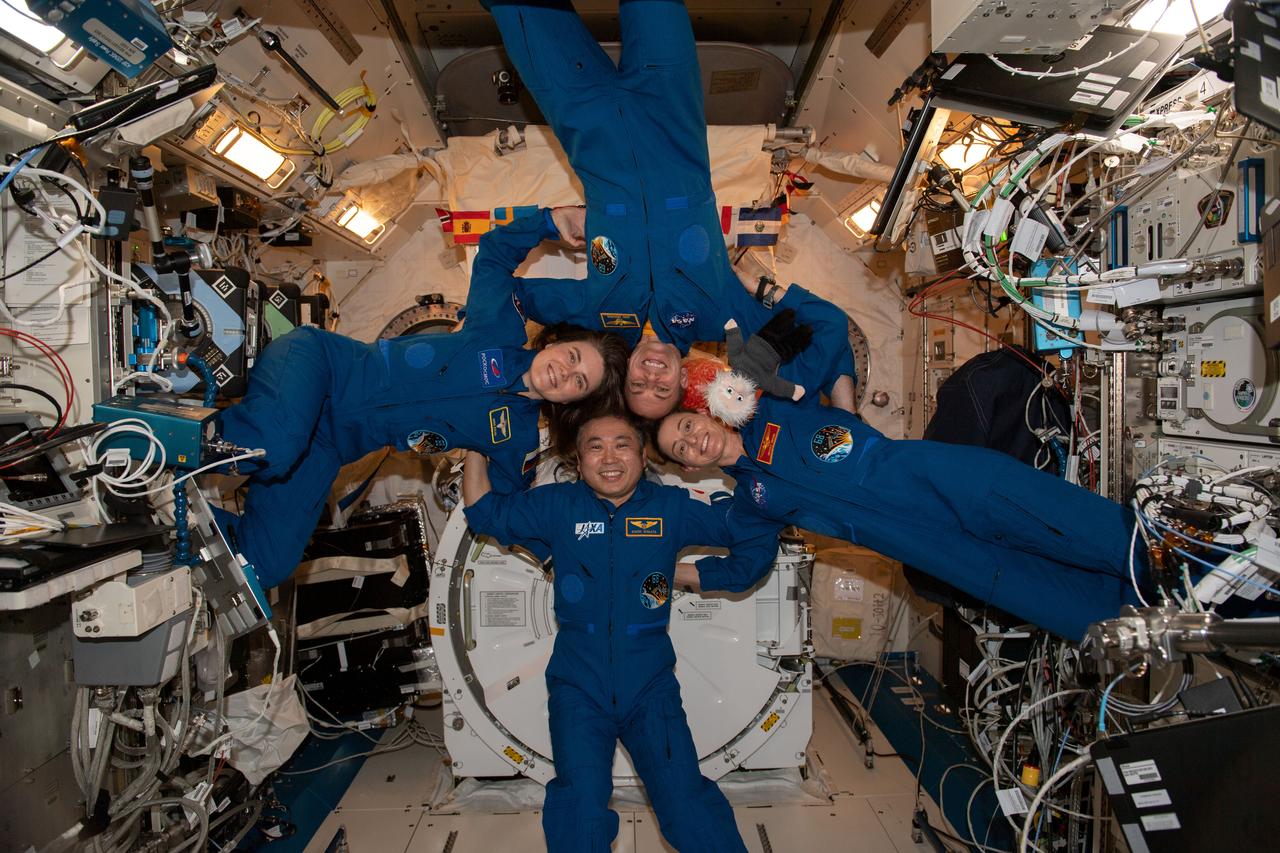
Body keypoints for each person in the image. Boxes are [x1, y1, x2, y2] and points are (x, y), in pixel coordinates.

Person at [483, 0, 858, 417]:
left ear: (622, 373)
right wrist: (849, 421)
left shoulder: (594, 314)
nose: (652, 376)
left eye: (637, 385)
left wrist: (549, 222)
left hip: (585, 125)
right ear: (683, 379)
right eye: (661, 390)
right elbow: (830, 332)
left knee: (514, 7)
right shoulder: (724, 318)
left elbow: (503, 293)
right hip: (670, 110)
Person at [219, 208, 629, 588]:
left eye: (580, 382)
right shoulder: (498, 325)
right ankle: (168, 441)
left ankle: (173, 519)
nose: (565, 372)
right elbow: (497, 251)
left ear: (570, 402)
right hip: (325, 368)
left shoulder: (515, 439)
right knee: (273, 444)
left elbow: (496, 513)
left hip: (326, 445)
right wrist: (554, 220)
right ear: (558, 343)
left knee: (266, 566)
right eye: (573, 357)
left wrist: (563, 550)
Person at [462, 414, 777, 852]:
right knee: (578, 810)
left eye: (622, 444)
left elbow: (754, 537)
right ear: (579, 457)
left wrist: (686, 573)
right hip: (578, 685)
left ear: (643, 454)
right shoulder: (557, 505)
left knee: (687, 805)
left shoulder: (671, 508)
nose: (609, 457)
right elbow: (485, 514)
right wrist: (474, 446)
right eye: (595, 446)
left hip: (649, 686)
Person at [653, 397, 1147, 640]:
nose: (694, 441)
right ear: (692, 467)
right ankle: (1186, 623)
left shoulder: (772, 403)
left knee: (1110, 540)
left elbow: (823, 331)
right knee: (1078, 609)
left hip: (961, 487)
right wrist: (660, 567)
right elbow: (743, 570)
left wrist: (844, 402)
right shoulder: (752, 501)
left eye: (689, 426)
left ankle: (1202, 563)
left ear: (707, 413)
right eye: (683, 449)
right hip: (940, 551)